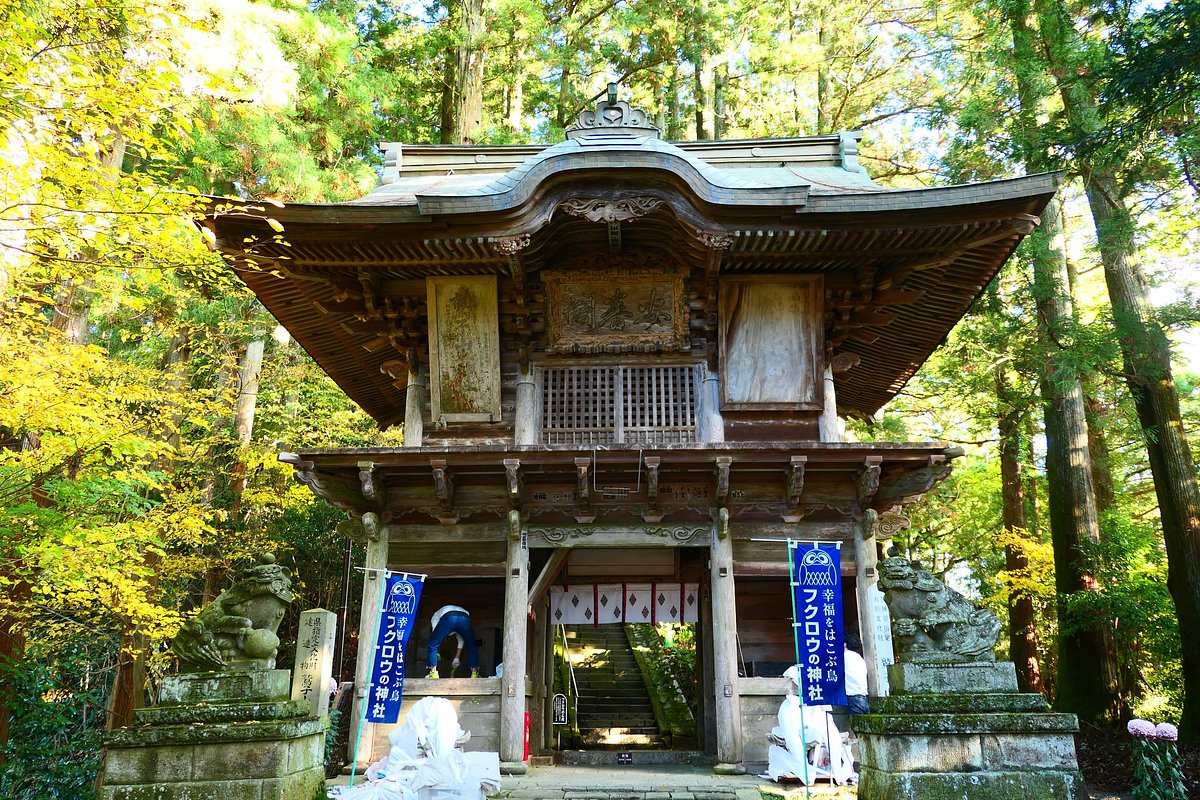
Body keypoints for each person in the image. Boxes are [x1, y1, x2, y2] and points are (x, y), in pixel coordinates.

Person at [766, 665, 855, 785]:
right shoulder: (789, 706)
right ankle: (811, 772)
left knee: (838, 744)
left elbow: (830, 733)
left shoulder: (812, 704)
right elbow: (792, 739)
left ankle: (836, 773)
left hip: (814, 735)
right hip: (804, 737)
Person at [426, 605, 479, 679]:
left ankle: (433, 672)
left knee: (432, 644)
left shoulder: (435, 617)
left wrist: (436, 651)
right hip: (464, 617)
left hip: (449, 616)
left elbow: (436, 637)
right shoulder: (457, 627)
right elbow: (461, 640)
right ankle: (474, 673)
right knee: (471, 644)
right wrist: (457, 658)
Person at [844, 632, 869, 716]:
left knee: (855, 727)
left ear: (845, 644)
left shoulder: (844, 657)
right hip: (863, 697)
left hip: (853, 697)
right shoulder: (859, 658)